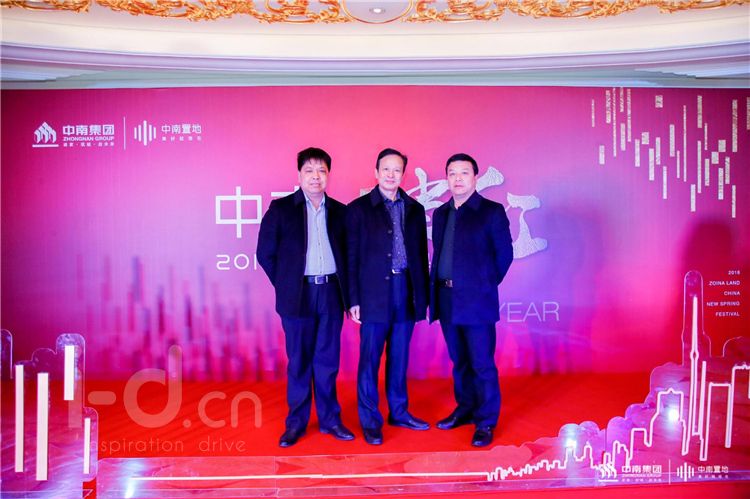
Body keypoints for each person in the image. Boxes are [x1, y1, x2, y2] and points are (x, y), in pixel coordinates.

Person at [257, 147, 355, 447]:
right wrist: (287, 284)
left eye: (321, 170)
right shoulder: (281, 209)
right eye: (309, 170)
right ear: (299, 174)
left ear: (328, 175)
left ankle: (330, 419)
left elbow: (350, 257)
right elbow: (265, 254)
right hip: (297, 295)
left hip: (331, 293)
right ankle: (296, 423)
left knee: (327, 360)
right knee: (299, 360)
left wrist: (350, 297)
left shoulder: (341, 212)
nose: (316, 176)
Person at [346, 148, 430, 445]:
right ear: (376, 172)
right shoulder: (358, 209)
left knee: (399, 356)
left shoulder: (415, 209)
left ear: (403, 174)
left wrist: (422, 297)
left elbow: (421, 255)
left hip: (405, 289)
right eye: (386, 169)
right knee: (369, 359)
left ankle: (399, 411)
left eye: (397, 170)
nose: (391, 174)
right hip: (372, 294)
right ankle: (370, 420)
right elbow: (350, 257)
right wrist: (353, 299)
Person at [430, 153, 514, 447]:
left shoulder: (490, 211)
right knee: (460, 361)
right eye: (452, 173)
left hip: (477, 301)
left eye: (464, 173)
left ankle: (486, 421)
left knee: (481, 363)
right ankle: (465, 408)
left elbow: (504, 255)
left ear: (475, 177)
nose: (457, 178)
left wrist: (483, 285)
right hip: (446, 297)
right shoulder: (441, 214)